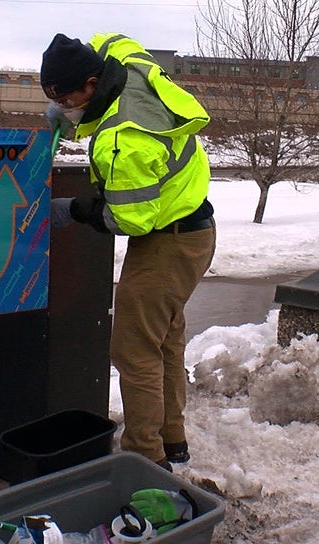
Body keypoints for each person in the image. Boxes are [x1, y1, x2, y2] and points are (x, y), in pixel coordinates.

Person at [41, 33, 216, 471]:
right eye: (54, 99)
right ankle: (171, 440)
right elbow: (115, 39)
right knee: (165, 340)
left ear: (92, 83)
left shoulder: (125, 139)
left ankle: (144, 459)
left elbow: (128, 220)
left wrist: (75, 209)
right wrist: (66, 105)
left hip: (168, 242)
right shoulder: (125, 64)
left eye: (66, 99)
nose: (63, 108)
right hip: (190, 226)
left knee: (134, 351)